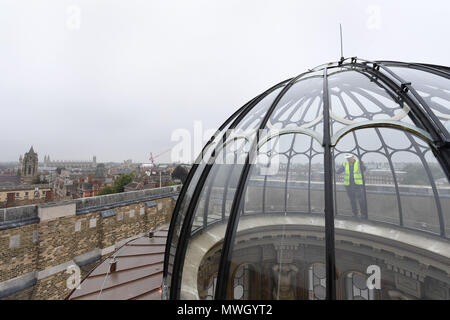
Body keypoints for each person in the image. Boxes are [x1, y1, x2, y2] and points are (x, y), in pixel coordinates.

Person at [336, 154, 367, 218]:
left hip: (358, 185)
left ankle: (363, 214)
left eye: (349, 158)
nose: (348, 159)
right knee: (352, 200)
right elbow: (338, 171)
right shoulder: (345, 164)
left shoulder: (358, 163)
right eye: (347, 158)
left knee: (361, 200)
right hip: (349, 185)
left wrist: (362, 164)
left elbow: (364, 169)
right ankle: (355, 214)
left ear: (353, 157)